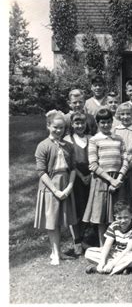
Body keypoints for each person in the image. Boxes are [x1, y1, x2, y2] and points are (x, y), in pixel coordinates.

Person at [34, 110, 77, 265]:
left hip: (65, 184)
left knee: (61, 220)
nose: (59, 131)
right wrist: (55, 190)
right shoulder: (43, 146)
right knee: (52, 221)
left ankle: (58, 251)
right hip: (51, 187)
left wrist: (69, 187)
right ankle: (55, 253)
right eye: (55, 127)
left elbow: (73, 168)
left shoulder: (68, 146)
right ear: (48, 126)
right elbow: (41, 171)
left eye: (62, 128)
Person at [83, 108, 129, 246]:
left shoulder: (119, 138)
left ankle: (117, 245)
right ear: (98, 123)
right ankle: (104, 246)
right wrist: (110, 180)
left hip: (118, 180)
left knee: (117, 213)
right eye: (103, 122)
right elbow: (93, 164)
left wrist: (119, 178)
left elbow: (125, 159)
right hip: (101, 180)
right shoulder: (94, 140)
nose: (106, 125)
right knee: (102, 215)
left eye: (109, 122)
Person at [84, 200, 132, 275]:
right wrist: (102, 262)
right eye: (119, 218)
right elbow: (107, 245)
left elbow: (128, 249)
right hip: (117, 254)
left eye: (126, 217)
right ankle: (121, 268)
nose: (123, 221)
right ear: (115, 217)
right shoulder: (114, 226)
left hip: (131, 253)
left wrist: (112, 263)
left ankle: (104, 269)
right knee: (89, 252)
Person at [64, 112, 92, 256]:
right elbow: (69, 163)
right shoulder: (67, 140)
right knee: (75, 210)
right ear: (72, 124)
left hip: (92, 177)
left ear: (86, 124)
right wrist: (81, 176)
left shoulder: (91, 139)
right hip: (75, 179)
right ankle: (77, 241)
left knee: (89, 209)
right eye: (77, 123)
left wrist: (90, 175)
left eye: (82, 122)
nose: (80, 125)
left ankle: (87, 239)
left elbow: (95, 159)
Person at [113, 102, 132, 209]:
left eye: (128, 114)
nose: (125, 117)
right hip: (118, 167)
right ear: (119, 115)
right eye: (122, 114)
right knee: (119, 196)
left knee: (131, 195)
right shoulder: (115, 130)